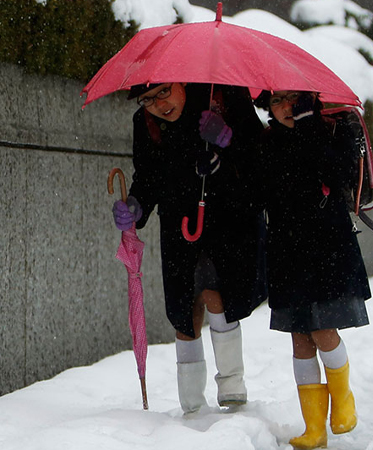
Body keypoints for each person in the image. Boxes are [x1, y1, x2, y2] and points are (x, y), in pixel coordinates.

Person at [112, 82, 267, 414]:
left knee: (217, 295)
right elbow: (149, 174)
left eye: (164, 92)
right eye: (148, 100)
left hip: (229, 220)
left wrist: (227, 142)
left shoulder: (222, 97)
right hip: (178, 224)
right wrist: (136, 206)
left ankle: (232, 386)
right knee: (184, 310)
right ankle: (192, 403)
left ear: (181, 81)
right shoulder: (147, 123)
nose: (158, 105)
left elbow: (259, 158)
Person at [253, 90, 371, 449]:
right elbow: (261, 192)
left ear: (308, 99)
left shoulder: (336, 131)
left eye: (292, 99)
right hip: (287, 250)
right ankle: (314, 427)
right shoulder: (269, 142)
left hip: (327, 247)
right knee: (300, 338)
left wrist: (307, 127)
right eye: (277, 102)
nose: (286, 108)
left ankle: (344, 399)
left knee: (322, 329)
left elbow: (337, 175)